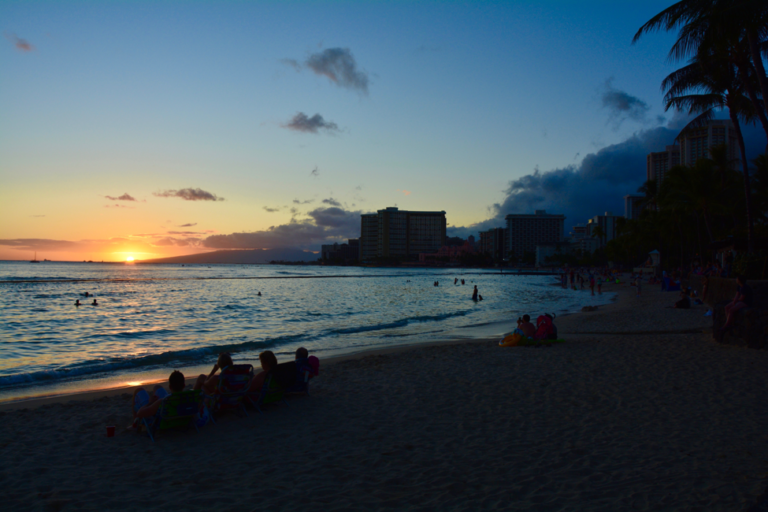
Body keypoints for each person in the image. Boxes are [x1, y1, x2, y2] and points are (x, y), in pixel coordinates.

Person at [132, 370, 203, 424]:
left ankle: (135, 423)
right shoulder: (191, 398)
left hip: (164, 420)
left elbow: (140, 413)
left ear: (170, 387)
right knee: (157, 387)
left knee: (138, 390)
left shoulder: (163, 401)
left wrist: (150, 402)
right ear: (184, 385)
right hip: (180, 411)